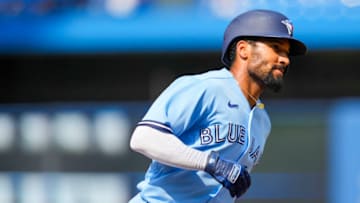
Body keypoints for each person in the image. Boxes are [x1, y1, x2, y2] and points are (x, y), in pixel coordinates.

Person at [129, 9, 307, 203]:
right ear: (243, 50)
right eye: (276, 47)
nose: (285, 59)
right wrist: (211, 163)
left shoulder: (262, 121)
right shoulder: (206, 87)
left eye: (287, 53)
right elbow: (143, 138)